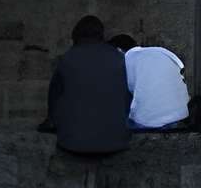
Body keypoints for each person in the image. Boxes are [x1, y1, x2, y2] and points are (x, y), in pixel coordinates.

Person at [41, 14, 133, 159]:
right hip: (116, 141)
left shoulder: (67, 59)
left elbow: (54, 99)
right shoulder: (119, 58)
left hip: (72, 142)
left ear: (76, 37)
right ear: (101, 35)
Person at [115, 32, 191, 132]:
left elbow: (125, 92)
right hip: (181, 115)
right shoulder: (160, 51)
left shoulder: (126, 58)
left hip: (148, 122)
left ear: (118, 50)